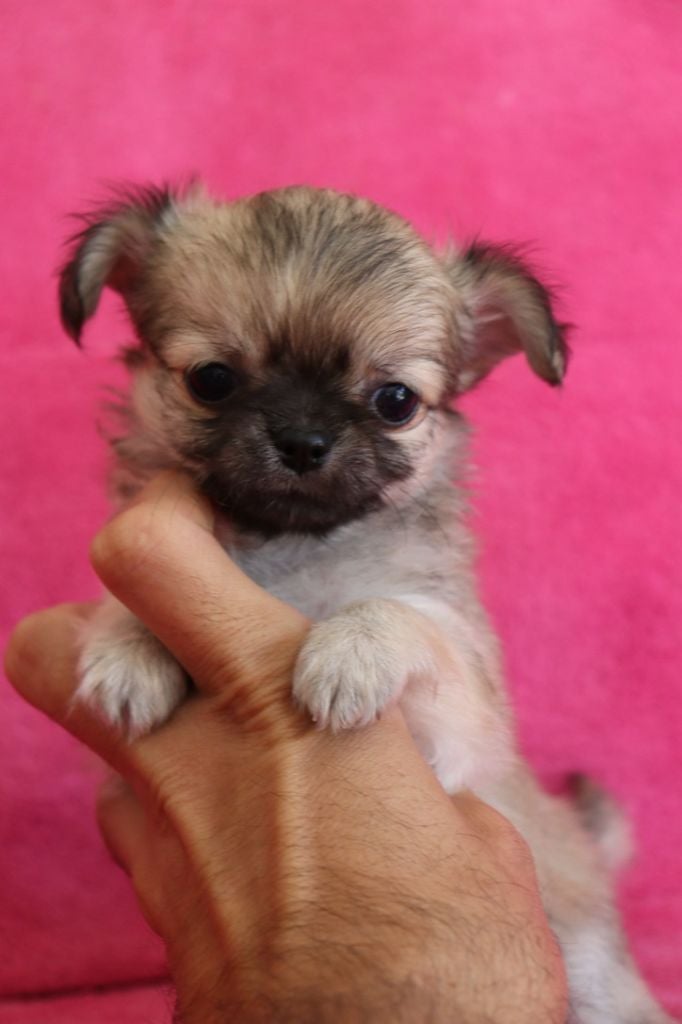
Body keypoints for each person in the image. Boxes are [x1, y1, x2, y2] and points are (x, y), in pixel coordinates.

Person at [5, 473, 568, 1023]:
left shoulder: (413, 549)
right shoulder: (161, 536)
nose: (305, 439)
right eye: (215, 402)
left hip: (541, 912)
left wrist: (391, 630)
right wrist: (134, 629)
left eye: (392, 414)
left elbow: (466, 736)